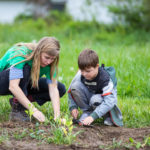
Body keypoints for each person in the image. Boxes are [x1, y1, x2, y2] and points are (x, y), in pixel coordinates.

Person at [0, 37, 66, 122]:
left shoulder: (50, 64)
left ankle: (20, 101)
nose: (49, 62)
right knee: (26, 69)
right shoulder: (21, 54)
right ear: (39, 52)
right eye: (47, 57)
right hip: (5, 81)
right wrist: (33, 110)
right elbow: (13, 86)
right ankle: (18, 109)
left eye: (52, 59)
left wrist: (57, 116)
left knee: (60, 88)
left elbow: (53, 89)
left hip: (24, 82)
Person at [68, 49, 123, 126]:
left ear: (97, 66)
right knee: (75, 86)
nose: (84, 74)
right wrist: (73, 107)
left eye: (88, 71)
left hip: (103, 100)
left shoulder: (105, 79)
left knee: (95, 99)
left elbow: (110, 101)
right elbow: (70, 91)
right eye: (81, 70)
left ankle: (108, 116)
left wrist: (93, 117)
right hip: (91, 95)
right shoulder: (81, 74)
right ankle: (87, 112)